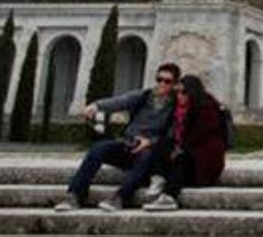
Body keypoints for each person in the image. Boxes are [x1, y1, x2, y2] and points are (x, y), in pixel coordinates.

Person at [55, 62, 181, 212]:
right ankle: (75, 195)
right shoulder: (144, 96)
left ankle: (119, 198)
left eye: (167, 81)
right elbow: (120, 101)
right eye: (159, 79)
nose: (161, 84)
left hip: (150, 151)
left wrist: (150, 141)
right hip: (128, 143)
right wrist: (96, 106)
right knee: (98, 149)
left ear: (174, 84)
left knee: (144, 157)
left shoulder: (176, 106)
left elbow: (172, 135)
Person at [142, 75, 226, 211]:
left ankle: (169, 196)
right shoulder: (179, 110)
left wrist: (180, 149)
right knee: (162, 145)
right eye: (177, 92)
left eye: (184, 92)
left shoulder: (207, 108)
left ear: (193, 92)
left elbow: (199, 136)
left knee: (180, 159)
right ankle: (159, 178)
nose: (179, 96)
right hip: (189, 154)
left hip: (205, 161)